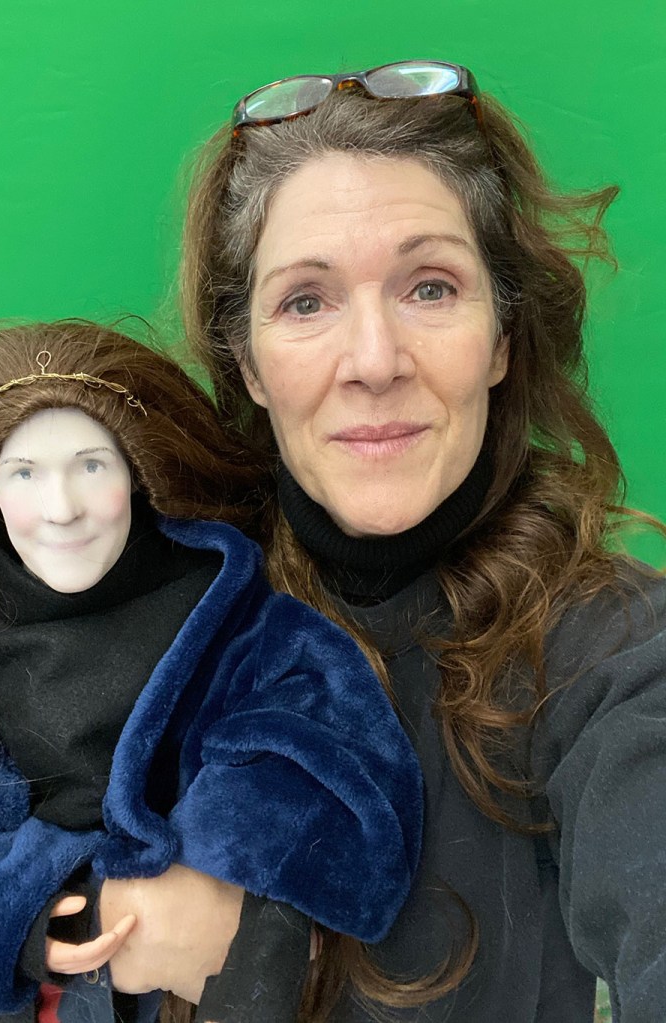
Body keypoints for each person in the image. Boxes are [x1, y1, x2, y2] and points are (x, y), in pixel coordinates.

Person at [155, 60, 664, 1022]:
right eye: (306, 301)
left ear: (502, 338)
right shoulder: (159, 615)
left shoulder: (617, 649)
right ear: (248, 363)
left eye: (430, 288)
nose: (375, 361)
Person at [0, 321, 426, 1023]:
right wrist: (21, 911)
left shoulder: (226, 609)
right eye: (24, 473)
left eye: (91, 466)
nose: (61, 509)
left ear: (138, 469)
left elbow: (322, 739)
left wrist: (219, 880)